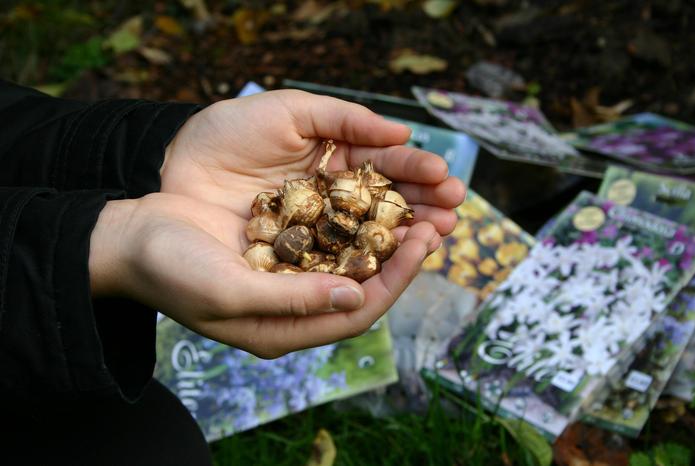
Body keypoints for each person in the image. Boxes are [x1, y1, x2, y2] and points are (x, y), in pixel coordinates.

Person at [0, 79, 465, 465]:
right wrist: (103, 246)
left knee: (159, 442)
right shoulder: (301, 220)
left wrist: (155, 152)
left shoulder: (315, 216)